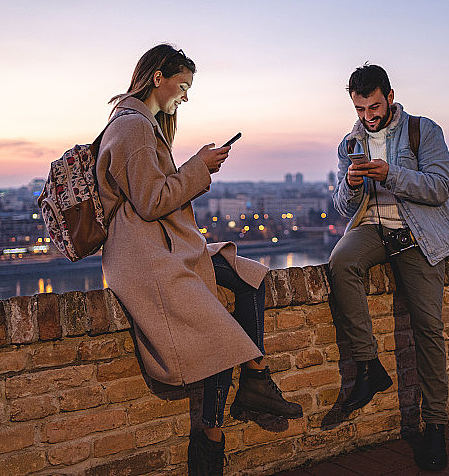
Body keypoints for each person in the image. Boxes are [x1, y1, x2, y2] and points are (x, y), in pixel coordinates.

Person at [96, 44, 302, 476]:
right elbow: (152, 201)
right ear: (158, 78)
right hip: (145, 257)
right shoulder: (132, 128)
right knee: (219, 338)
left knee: (251, 278)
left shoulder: (141, 125)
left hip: (165, 248)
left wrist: (196, 168)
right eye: (183, 86)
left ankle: (257, 381)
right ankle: (211, 440)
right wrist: (198, 166)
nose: (185, 97)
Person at [328, 63, 449, 471]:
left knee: (427, 329)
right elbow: (341, 205)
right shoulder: (349, 142)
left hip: (417, 232)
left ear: (390, 97)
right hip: (373, 228)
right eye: (360, 110)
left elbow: (440, 187)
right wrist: (352, 185)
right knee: (340, 262)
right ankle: (369, 366)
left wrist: (392, 174)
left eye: (374, 107)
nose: (368, 117)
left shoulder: (423, 131)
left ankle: (435, 427)